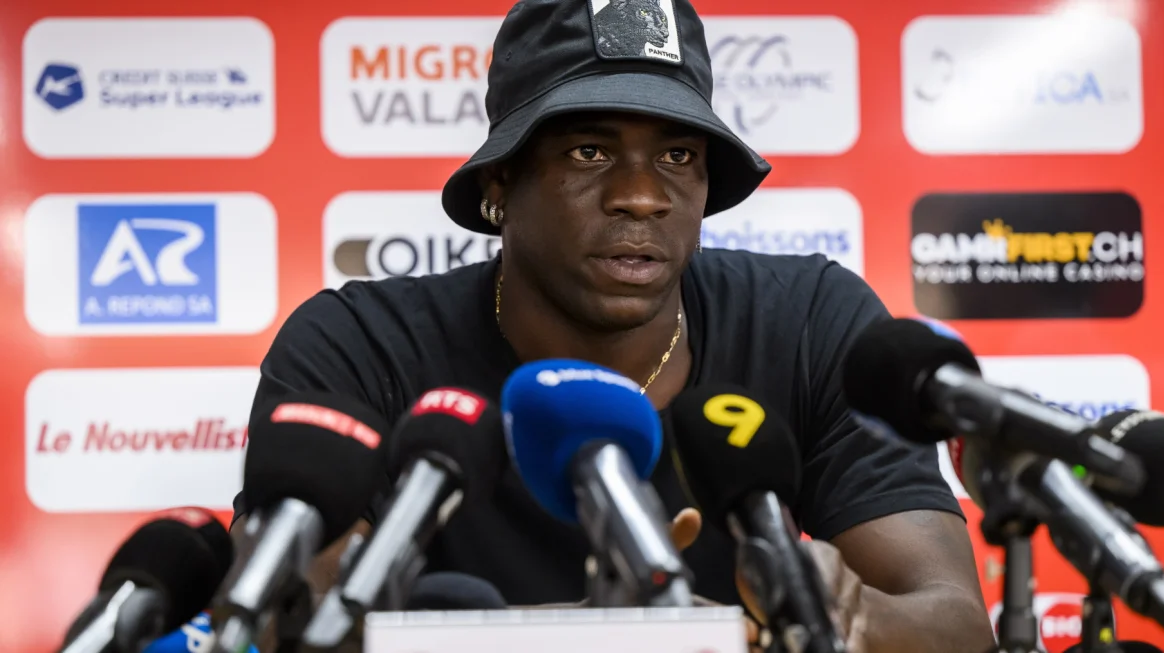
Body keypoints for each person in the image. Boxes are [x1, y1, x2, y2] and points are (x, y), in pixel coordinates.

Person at [231, 0, 995, 651]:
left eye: (676, 155)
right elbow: (288, 619)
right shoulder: (357, 345)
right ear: (501, 180)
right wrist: (658, 629)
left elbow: (954, 620)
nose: (641, 195)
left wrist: (835, 615)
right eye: (590, 150)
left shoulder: (807, 323)